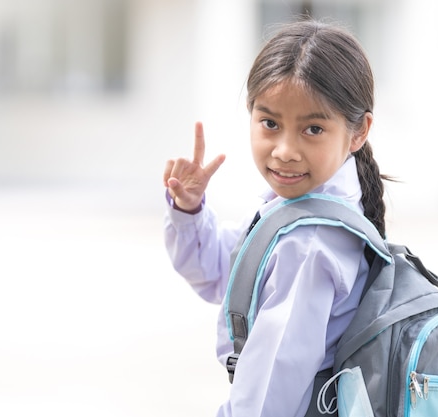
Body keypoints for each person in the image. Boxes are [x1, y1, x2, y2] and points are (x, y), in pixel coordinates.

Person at [163, 19, 388, 417]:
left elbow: (269, 396)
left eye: (313, 129)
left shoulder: (309, 245)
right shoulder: (298, 213)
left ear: (358, 132)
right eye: (270, 123)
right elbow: (220, 270)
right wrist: (190, 210)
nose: (285, 150)